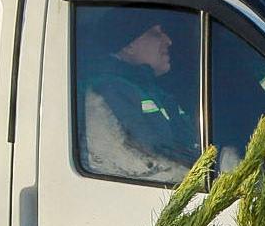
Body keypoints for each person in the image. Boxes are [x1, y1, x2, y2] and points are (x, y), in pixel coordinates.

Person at [77, 10, 200, 183]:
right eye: (156, 34)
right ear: (128, 45)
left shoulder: (153, 91)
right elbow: (144, 160)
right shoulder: (109, 92)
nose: (168, 41)